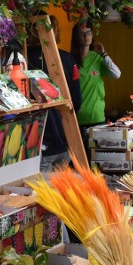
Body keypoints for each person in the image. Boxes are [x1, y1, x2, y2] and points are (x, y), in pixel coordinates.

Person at [27, 16, 82, 172]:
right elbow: (77, 101)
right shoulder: (68, 59)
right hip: (65, 138)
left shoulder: (24, 57)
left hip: (39, 141)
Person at [71, 22, 121, 156]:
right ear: (75, 37)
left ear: (93, 36)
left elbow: (116, 74)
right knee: (80, 159)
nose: (86, 36)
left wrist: (104, 54)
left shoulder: (98, 58)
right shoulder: (70, 59)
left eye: (89, 33)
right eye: (82, 33)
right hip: (76, 118)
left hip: (97, 116)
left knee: (98, 158)